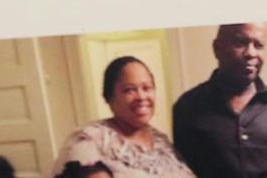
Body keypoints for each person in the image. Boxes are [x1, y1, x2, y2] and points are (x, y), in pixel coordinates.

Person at [172, 23, 267, 178]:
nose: (251, 53)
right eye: (240, 43)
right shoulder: (188, 107)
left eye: (258, 46)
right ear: (217, 48)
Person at [55, 56, 197, 178]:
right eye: (129, 90)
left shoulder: (161, 141)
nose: (141, 97)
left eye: (147, 88)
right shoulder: (89, 141)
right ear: (109, 97)